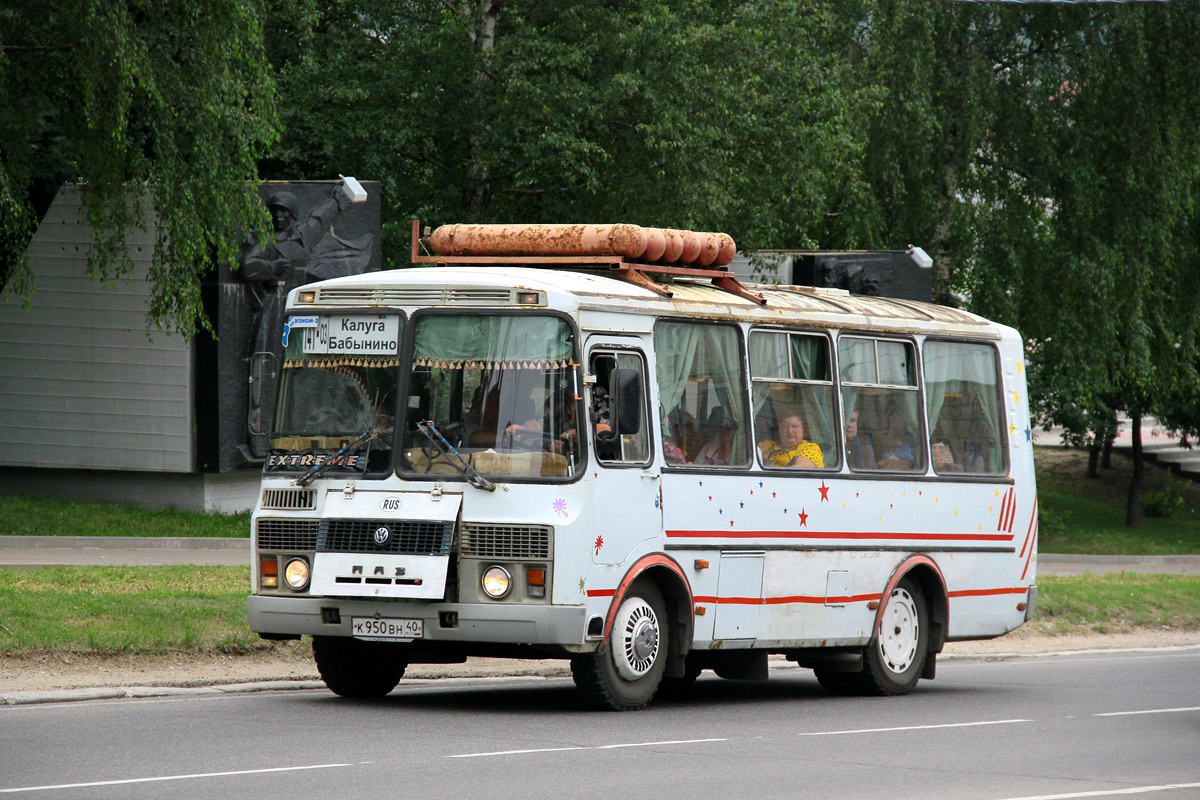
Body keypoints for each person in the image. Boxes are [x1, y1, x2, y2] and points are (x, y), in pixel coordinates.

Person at [759, 410, 823, 468]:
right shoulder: (767, 444)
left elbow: (798, 470)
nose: (790, 431)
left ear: (803, 429)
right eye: (785, 427)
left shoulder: (810, 448)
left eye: (795, 426)